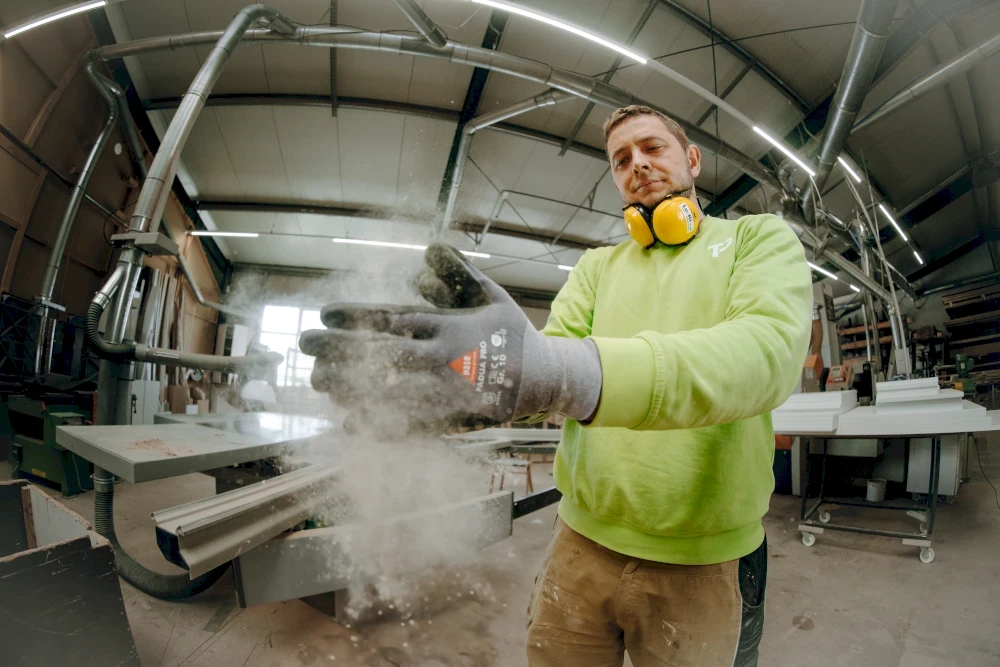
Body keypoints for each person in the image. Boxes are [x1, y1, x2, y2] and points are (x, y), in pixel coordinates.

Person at [300, 104, 812, 666]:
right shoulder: (596, 268)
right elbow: (542, 365)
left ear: (691, 158)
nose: (636, 165)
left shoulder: (758, 241)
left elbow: (765, 355)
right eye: (621, 160)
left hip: (707, 561)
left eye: (652, 148)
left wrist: (566, 373)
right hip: (580, 545)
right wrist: (468, 373)